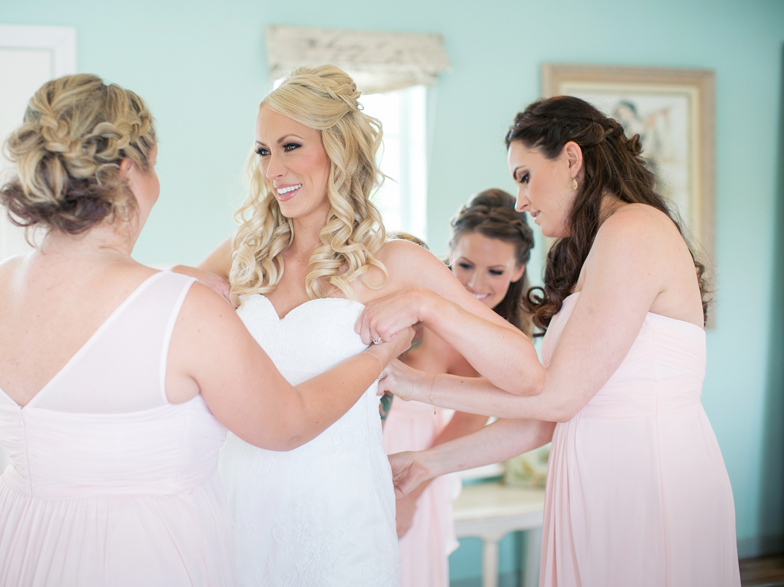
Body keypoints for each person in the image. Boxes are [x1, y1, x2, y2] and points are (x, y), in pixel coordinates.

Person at [0, 74, 414, 587]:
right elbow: (288, 424)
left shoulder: (0, 286)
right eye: (154, 167)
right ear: (129, 171)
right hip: (141, 555)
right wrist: (381, 355)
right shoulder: (180, 307)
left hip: (22, 543)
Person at [371, 95, 739, 587]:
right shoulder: (596, 248)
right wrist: (426, 463)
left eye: (524, 175)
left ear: (571, 159)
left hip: (644, 477)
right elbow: (545, 418)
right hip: (595, 475)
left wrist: (416, 384)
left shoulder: (635, 229)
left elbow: (557, 397)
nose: (520, 199)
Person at [197, 65, 544, 587]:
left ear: (339, 151)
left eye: (291, 146)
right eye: (264, 151)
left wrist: (427, 304)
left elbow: (525, 374)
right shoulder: (245, 254)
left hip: (341, 521)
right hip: (234, 507)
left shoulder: (394, 263)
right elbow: (171, 329)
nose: (273, 169)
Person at [382, 190, 535, 587]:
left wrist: (410, 494)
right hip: (371, 450)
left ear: (518, 270)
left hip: (417, 468)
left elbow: (470, 419)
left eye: (495, 272)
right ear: (448, 251)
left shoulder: (504, 341)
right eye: (464, 264)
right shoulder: (414, 304)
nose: (474, 284)